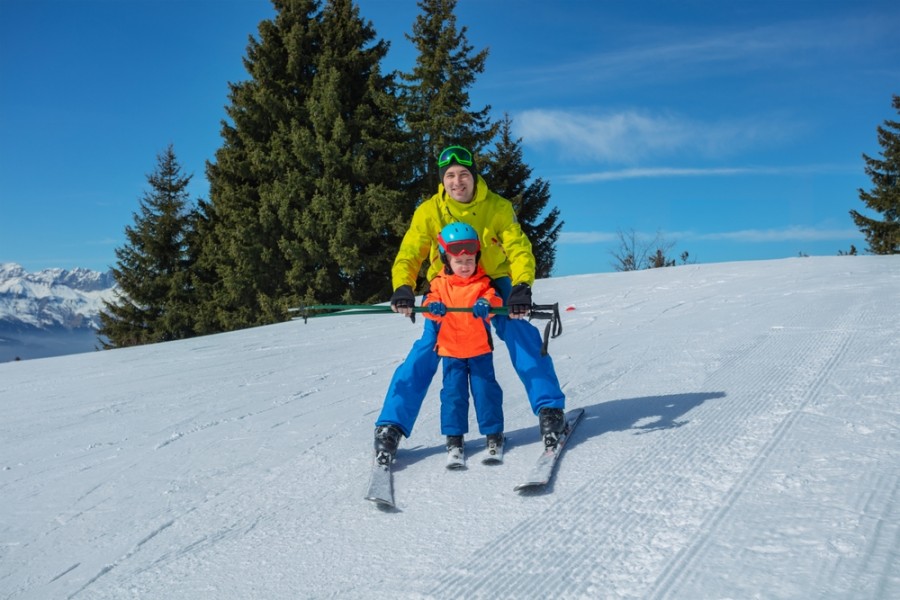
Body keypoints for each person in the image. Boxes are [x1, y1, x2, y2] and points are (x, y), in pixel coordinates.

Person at [373, 144, 566, 466]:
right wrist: (403, 285)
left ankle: (550, 408)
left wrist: (520, 286)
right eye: (450, 176)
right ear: (442, 180)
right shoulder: (429, 210)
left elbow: (518, 248)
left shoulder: (497, 206)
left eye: (463, 174)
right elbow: (411, 251)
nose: (457, 182)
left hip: (492, 277)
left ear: (474, 176)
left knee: (518, 331)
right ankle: (390, 424)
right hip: (448, 283)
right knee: (427, 347)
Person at [422, 222, 505, 464]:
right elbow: (428, 303)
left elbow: (495, 299)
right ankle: (454, 438)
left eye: (470, 260)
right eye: (458, 261)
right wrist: (433, 308)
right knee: (453, 395)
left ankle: (493, 435)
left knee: (485, 391)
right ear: (446, 260)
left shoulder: (483, 283)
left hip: (479, 350)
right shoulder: (439, 283)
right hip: (450, 351)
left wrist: (487, 304)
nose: (465, 265)